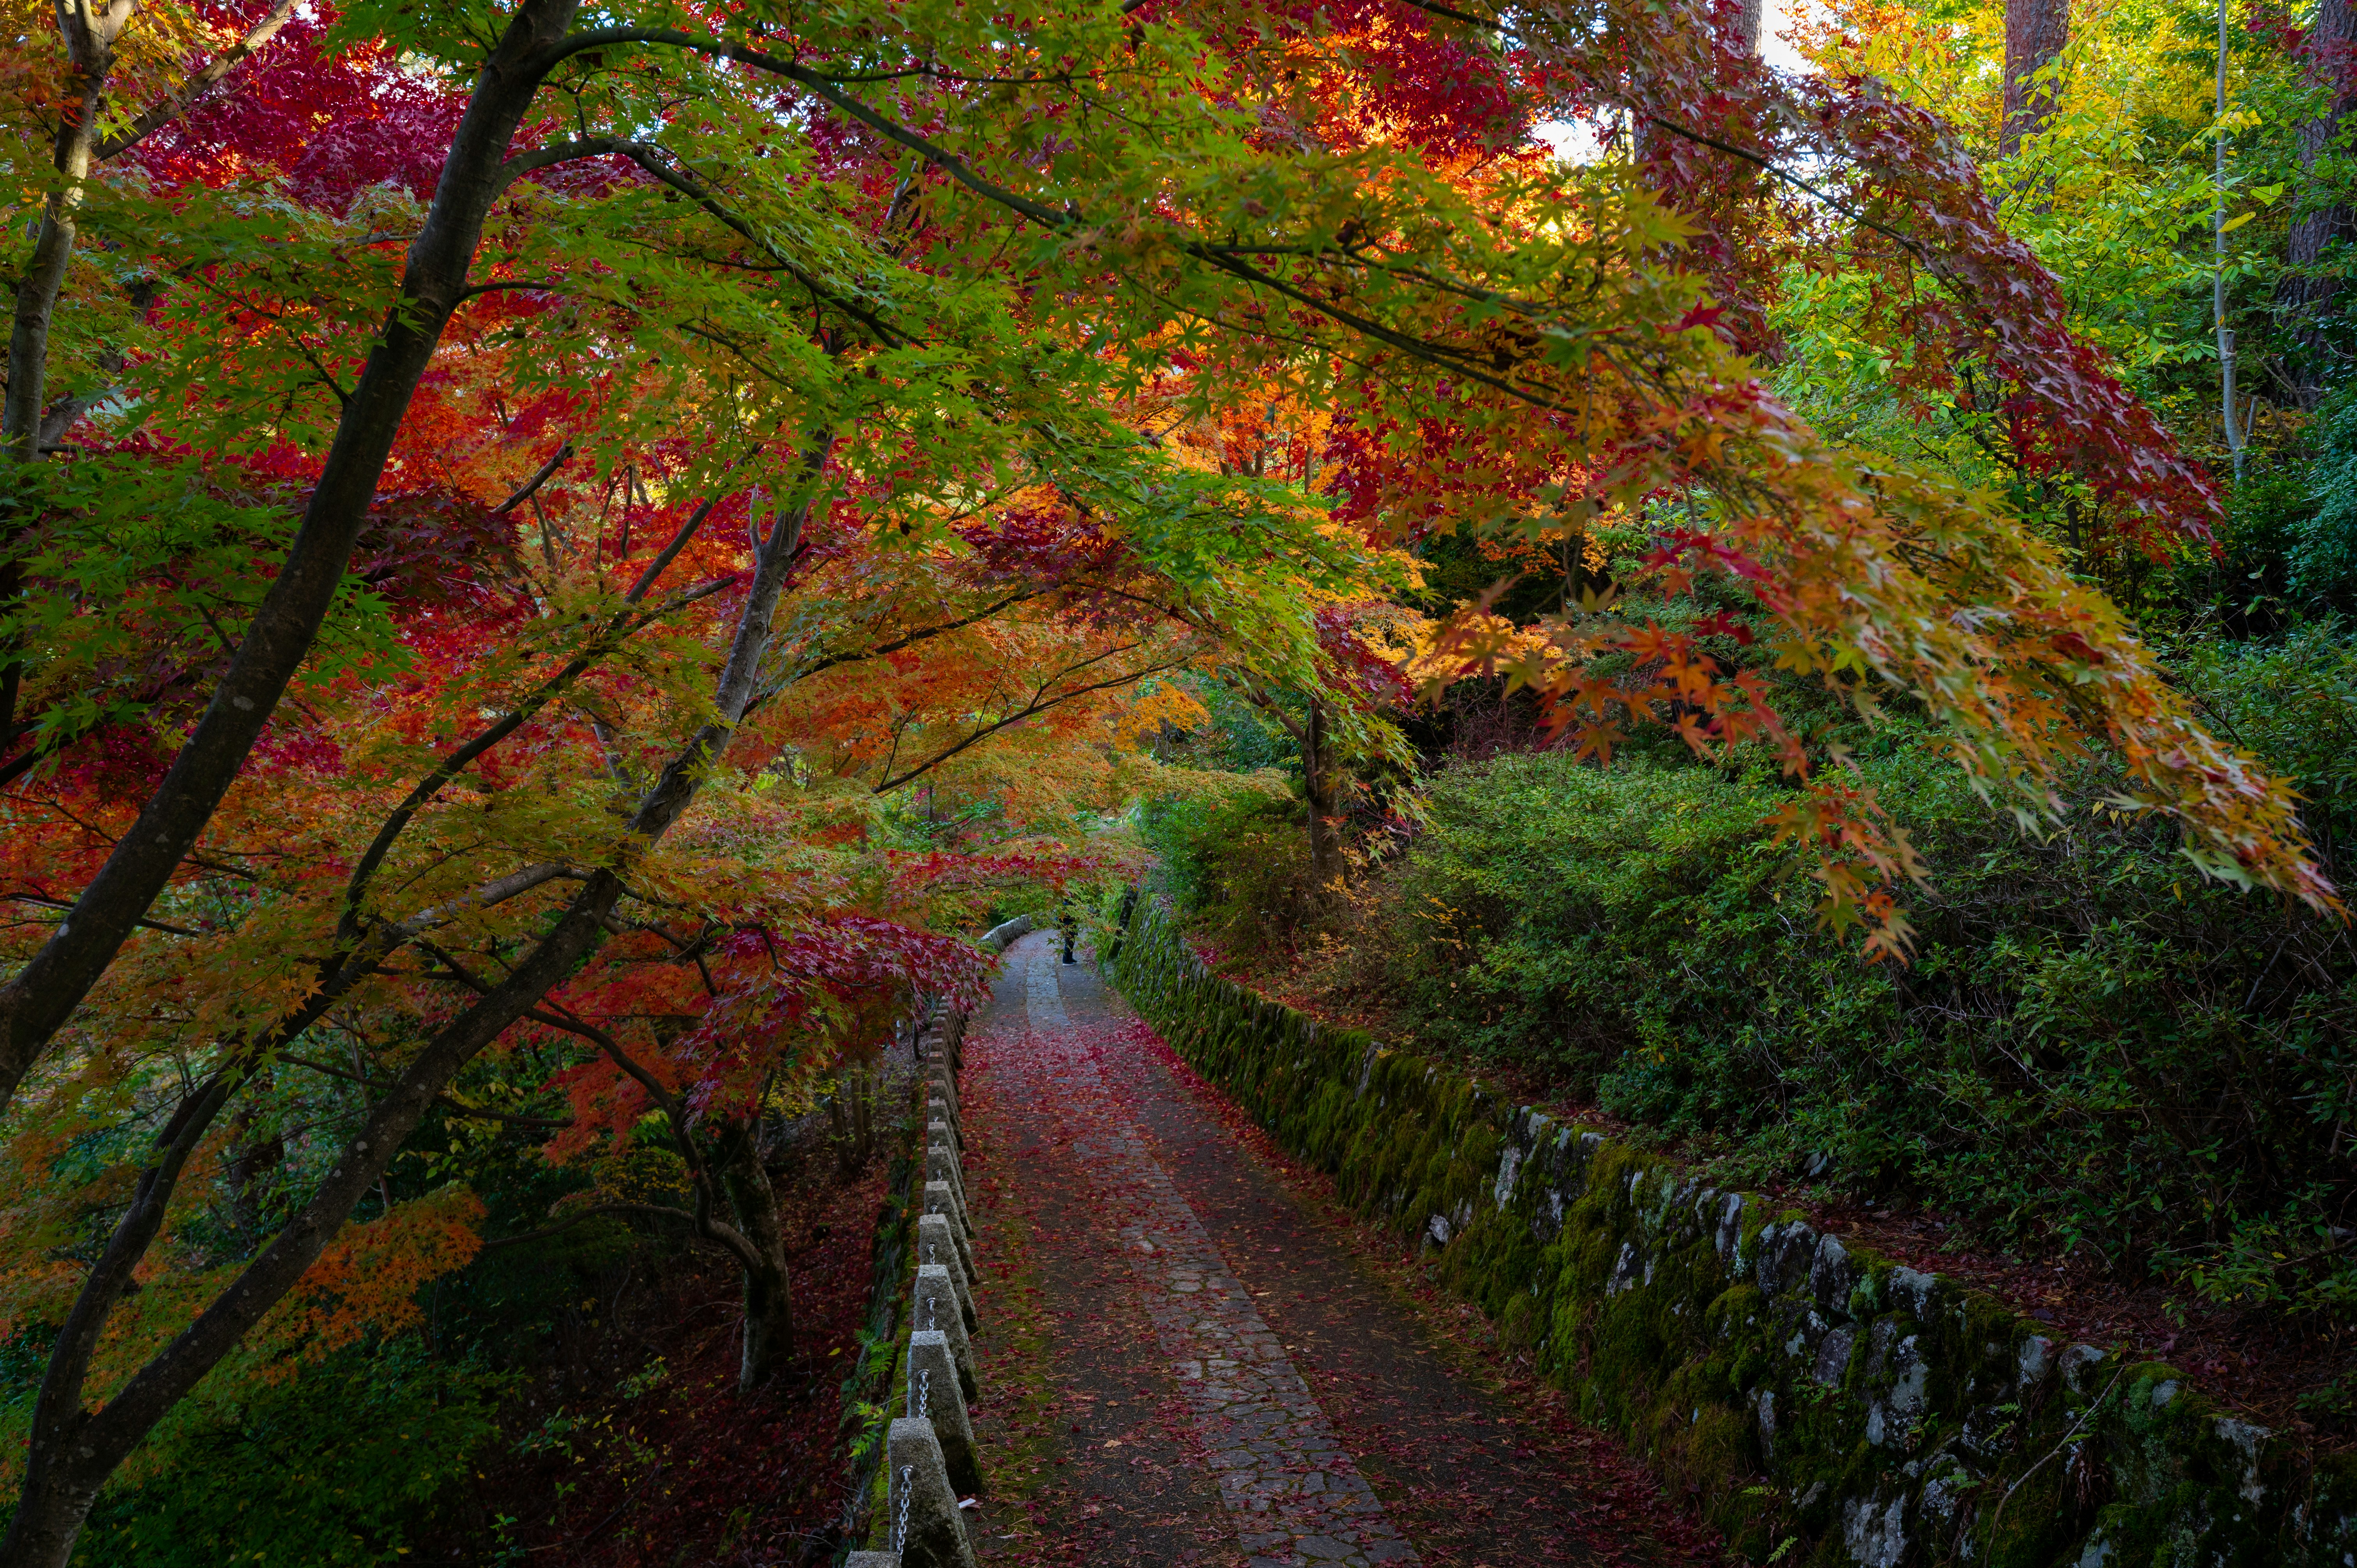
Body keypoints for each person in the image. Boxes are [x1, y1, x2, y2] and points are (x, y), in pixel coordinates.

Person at [1059, 899, 1078, 964]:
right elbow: (1069, 916)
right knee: (1068, 943)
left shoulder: (1070, 905)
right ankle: (1065, 961)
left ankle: (1070, 958)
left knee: (1072, 943)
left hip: (1072, 926)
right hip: (1068, 927)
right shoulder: (1065, 906)